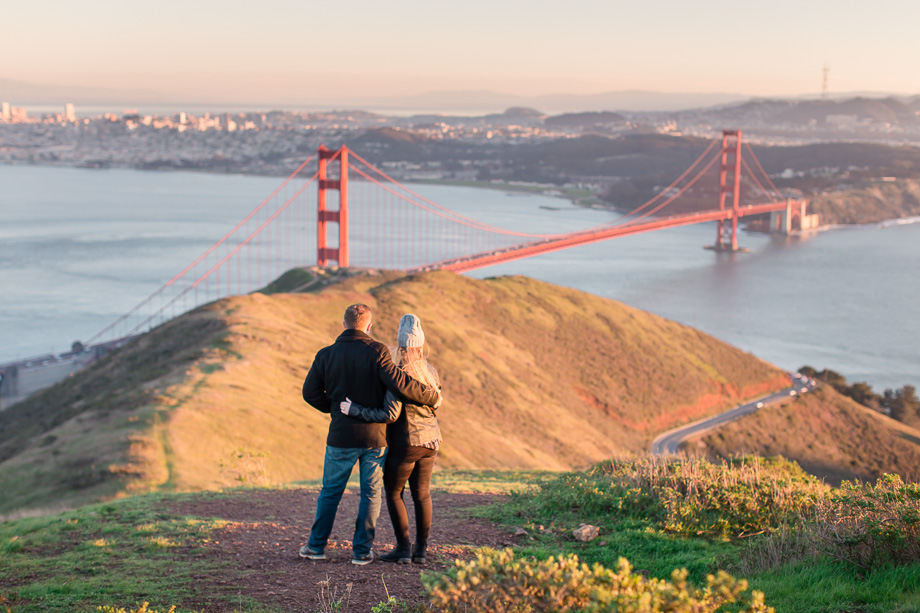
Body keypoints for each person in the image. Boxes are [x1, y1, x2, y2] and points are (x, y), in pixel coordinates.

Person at [300, 304, 441, 566]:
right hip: (375, 439)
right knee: (371, 494)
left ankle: (316, 547)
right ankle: (362, 552)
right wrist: (431, 395)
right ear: (368, 326)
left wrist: (334, 409)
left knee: (330, 492)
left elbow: (309, 394)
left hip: (340, 436)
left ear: (344, 324)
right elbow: (399, 382)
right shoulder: (378, 351)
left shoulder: (324, 355)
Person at [339, 313, 442, 564]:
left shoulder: (396, 374)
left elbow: (390, 413)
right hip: (431, 442)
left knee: (394, 493)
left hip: (406, 442)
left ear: (400, 343)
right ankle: (421, 551)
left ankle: (403, 548)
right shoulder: (430, 370)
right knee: (422, 494)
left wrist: (356, 410)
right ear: (420, 343)